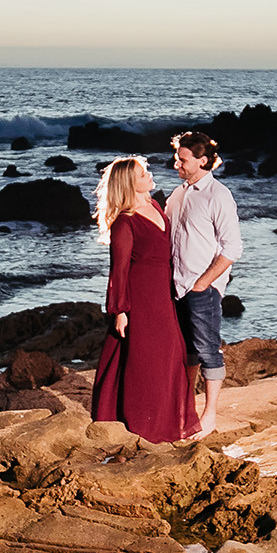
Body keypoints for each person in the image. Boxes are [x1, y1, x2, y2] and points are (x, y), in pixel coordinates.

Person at [87, 156, 199, 444]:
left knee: (170, 357)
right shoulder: (125, 223)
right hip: (141, 300)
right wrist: (120, 311)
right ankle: (142, 431)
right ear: (129, 183)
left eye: (146, 170)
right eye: (142, 173)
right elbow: (119, 270)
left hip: (164, 295)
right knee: (144, 365)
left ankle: (167, 429)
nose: (149, 175)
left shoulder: (154, 206)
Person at [164, 130, 243, 438]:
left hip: (201, 289)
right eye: (176, 158)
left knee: (208, 350)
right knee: (186, 352)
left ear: (203, 160)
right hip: (174, 287)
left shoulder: (218, 195)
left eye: (182, 160)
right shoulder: (179, 193)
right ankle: (186, 409)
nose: (176, 165)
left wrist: (204, 284)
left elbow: (232, 248)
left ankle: (209, 417)